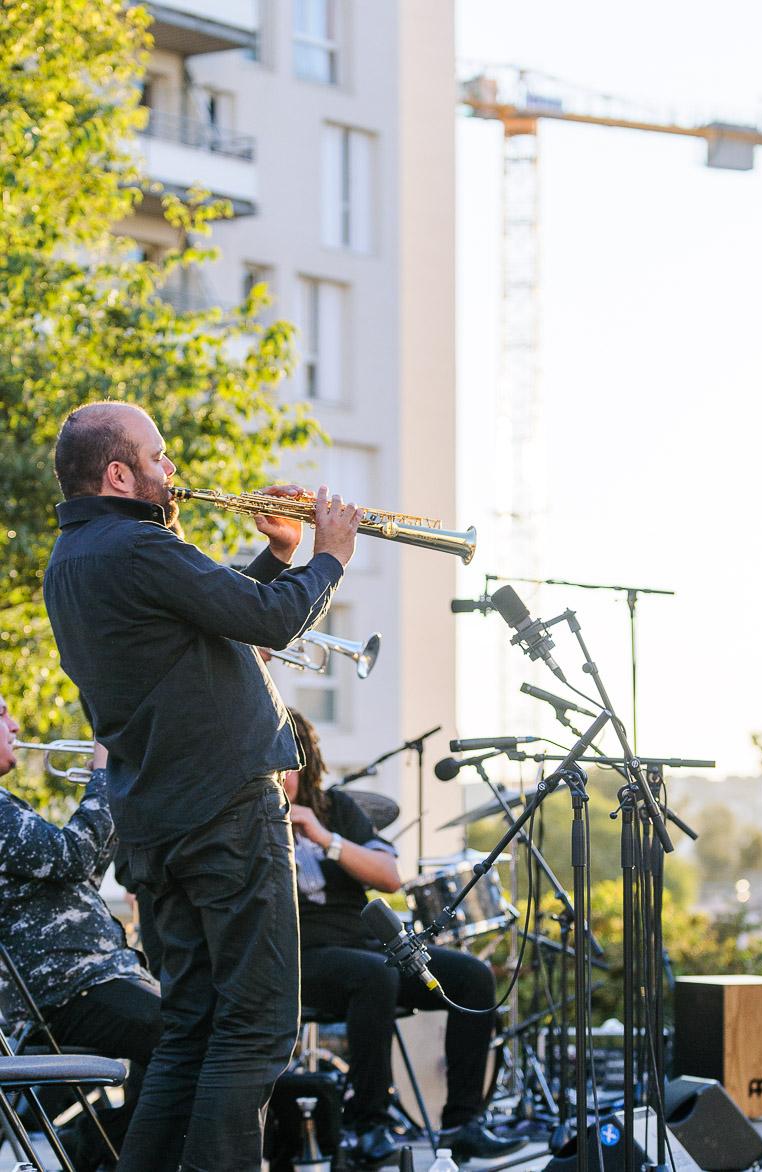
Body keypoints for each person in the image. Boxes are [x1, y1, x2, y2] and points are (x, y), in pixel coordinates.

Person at [43, 400, 360, 1172]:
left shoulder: (76, 559)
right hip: (224, 812)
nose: (171, 470)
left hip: (160, 823)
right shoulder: (141, 545)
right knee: (255, 1029)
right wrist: (329, 556)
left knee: (189, 1029)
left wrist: (279, 559)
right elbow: (272, 622)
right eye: (158, 458)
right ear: (119, 473)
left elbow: (212, 622)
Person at [284, 710, 527, 1166]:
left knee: (472, 976)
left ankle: (462, 1123)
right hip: (301, 956)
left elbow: (390, 877)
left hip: (365, 946)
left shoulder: (334, 809)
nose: (281, 779)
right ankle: (367, 1125)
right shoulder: (248, 818)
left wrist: (324, 838)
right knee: (373, 975)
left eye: (289, 768)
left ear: (306, 763)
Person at [0, 694, 162, 1172]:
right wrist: (104, 771)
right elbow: (75, 855)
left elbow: (78, 878)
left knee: (189, 1031)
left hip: (90, 980)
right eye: (0, 712)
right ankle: (101, 1149)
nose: (13, 722)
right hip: (69, 990)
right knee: (185, 1034)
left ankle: (95, 1145)